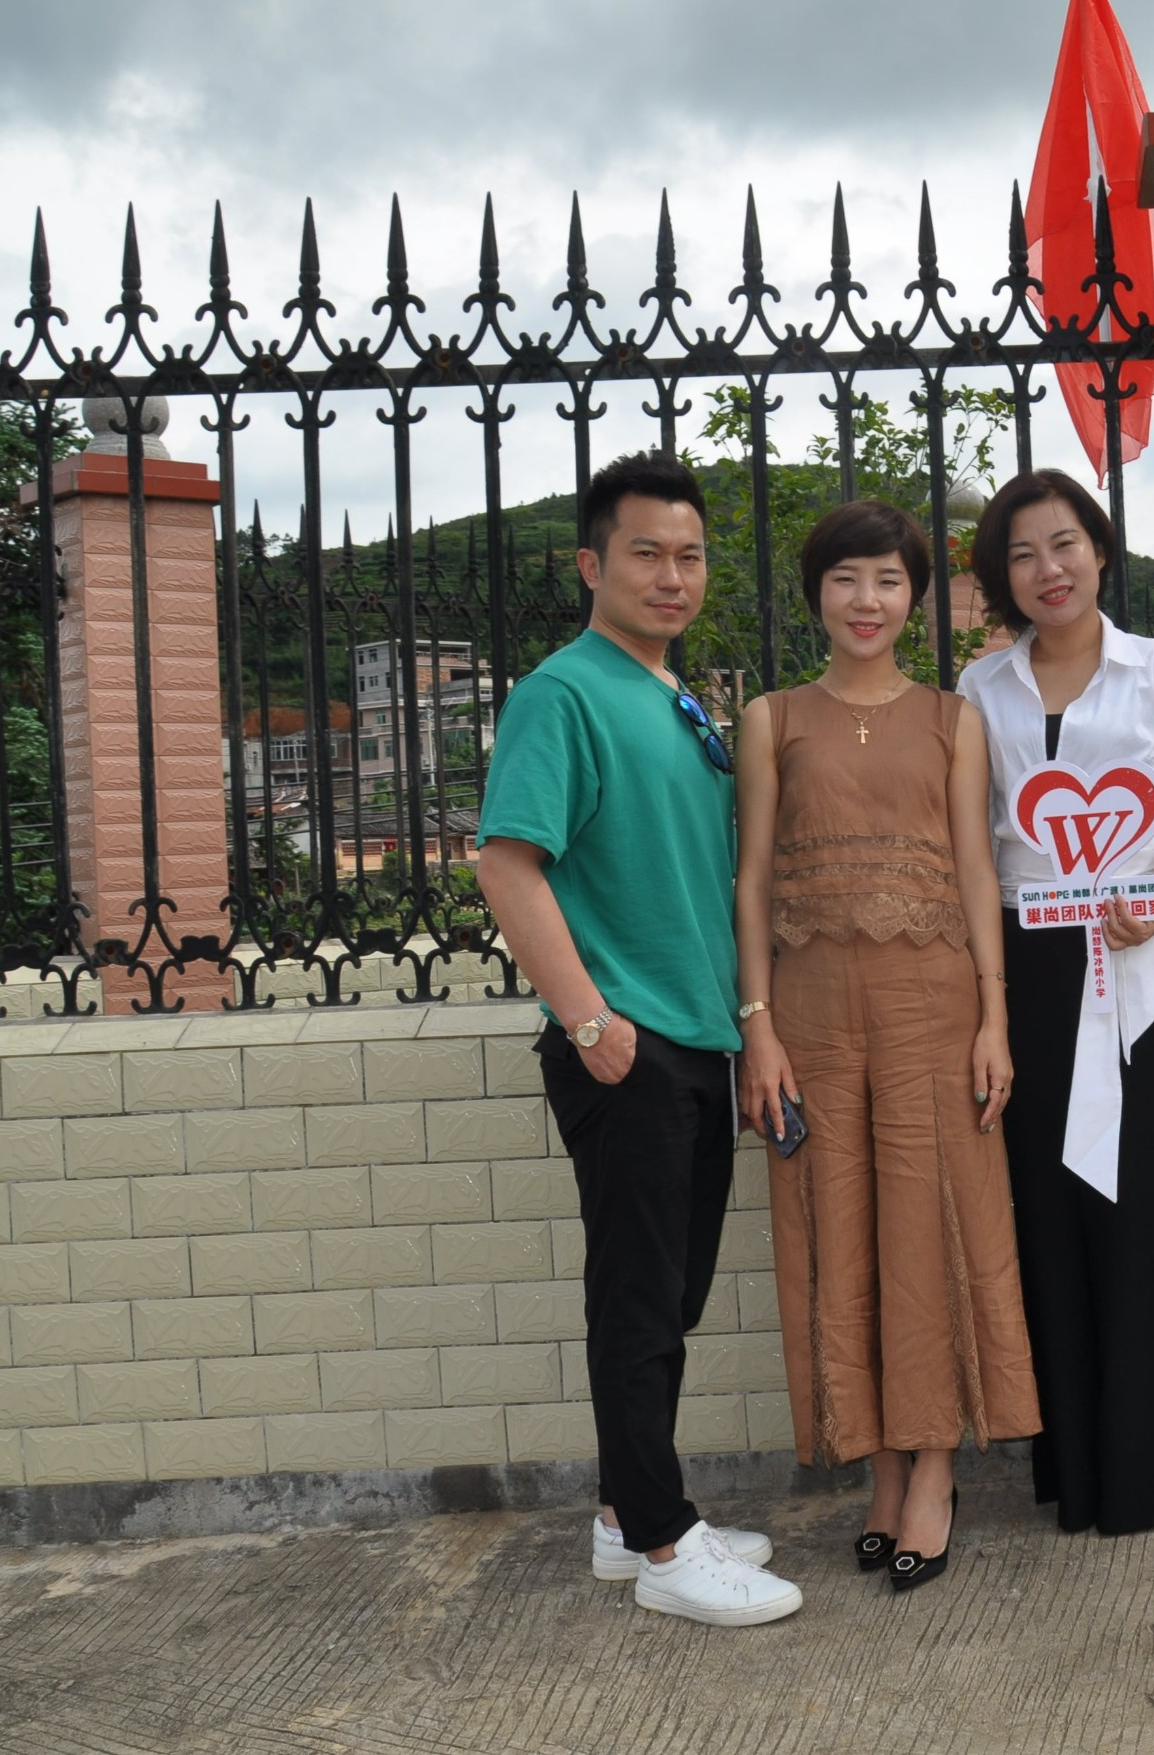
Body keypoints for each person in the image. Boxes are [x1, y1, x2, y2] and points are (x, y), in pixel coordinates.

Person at [473, 450, 802, 1627]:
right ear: (590, 564)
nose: (672, 575)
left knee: (671, 1294)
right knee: (638, 1299)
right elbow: (507, 860)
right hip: (631, 1043)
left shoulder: (670, 693)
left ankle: (627, 1514)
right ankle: (666, 1544)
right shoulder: (560, 693)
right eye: (646, 554)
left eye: (690, 555)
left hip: (693, 1037)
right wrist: (591, 1019)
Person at [731, 499, 1042, 1595]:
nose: (868, 601)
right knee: (841, 1227)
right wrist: (756, 1023)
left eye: (889, 581)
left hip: (933, 1003)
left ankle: (934, 1469)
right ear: (816, 592)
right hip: (809, 1011)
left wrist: (995, 1016)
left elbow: (974, 872)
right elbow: (755, 878)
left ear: (918, 598)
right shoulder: (772, 718)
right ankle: (878, 1461)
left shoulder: (957, 720)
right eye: (847, 578)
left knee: (934, 1222)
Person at [957, 467, 1154, 1536]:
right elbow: (976, 844)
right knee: (1050, 1211)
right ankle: (1073, 1467)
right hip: (1030, 970)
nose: (1047, 569)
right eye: (1022, 554)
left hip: (1139, 965)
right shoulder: (981, 692)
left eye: (1063, 544)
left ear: (1101, 550)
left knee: (1141, 1207)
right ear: (1001, 576)